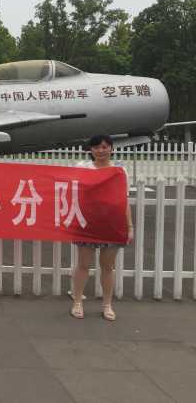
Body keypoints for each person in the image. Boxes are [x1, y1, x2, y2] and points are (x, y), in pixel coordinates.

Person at [70, 134, 133, 321]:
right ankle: (77, 302)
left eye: (105, 147)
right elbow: (73, 190)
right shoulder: (83, 167)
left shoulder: (119, 170)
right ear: (90, 150)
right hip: (87, 222)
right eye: (96, 147)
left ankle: (107, 305)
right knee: (83, 265)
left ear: (111, 148)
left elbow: (124, 199)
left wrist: (129, 226)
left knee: (107, 267)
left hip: (111, 223)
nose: (100, 151)